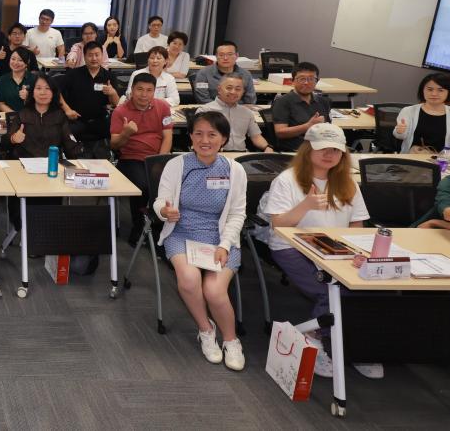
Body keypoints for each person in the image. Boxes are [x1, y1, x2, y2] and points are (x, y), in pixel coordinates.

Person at [260, 123, 380, 380]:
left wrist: (356, 252)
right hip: (291, 246)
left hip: (336, 249)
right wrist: (306, 205)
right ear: (308, 149)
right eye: (322, 148)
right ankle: (325, 342)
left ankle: (352, 343)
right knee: (330, 291)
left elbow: (356, 225)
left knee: (362, 286)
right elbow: (278, 224)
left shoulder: (348, 182)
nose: (329, 154)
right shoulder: (287, 180)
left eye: (335, 150)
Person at [153, 111, 247, 371]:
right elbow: (160, 201)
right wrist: (165, 212)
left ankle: (231, 340)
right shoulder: (177, 165)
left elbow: (237, 213)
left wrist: (225, 245)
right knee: (189, 279)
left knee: (214, 291)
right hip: (182, 232)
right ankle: (206, 330)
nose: (205, 140)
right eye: (198, 134)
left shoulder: (235, 170)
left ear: (224, 139)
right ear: (191, 137)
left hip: (220, 237)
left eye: (212, 135)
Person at [111, 73, 174, 242]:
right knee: (143, 185)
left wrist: (160, 161)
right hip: (131, 158)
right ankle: (139, 226)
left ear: (154, 91)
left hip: (158, 157)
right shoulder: (120, 111)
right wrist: (126, 133)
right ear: (132, 90)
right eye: (139, 89)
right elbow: (114, 145)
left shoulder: (163, 107)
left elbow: (167, 136)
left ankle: (160, 226)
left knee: (170, 183)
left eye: (149, 90)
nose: (144, 94)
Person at [6, 74, 78, 159]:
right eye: (38, 88)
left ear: (53, 93)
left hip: (52, 163)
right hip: (25, 162)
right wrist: (13, 139)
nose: (43, 93)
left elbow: (70, 145)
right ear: (32, 93)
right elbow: (5, 142)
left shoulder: (60, 115)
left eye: (47, 88)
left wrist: (80, 159)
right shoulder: (23, 114)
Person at [393, 73, 450, 154]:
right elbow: (400, 136)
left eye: (440, 90)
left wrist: (440, 158)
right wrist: (399, 131)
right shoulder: (408, 111)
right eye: (430, 89)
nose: (434, 94)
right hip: (411, 157)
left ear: (449, 92)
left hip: (441, 160)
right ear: (423, 90)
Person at [59, 43, 118, 144]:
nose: (94, 58)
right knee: (63, 135)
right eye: (90, 55)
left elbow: (116, 103)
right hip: (76, 120)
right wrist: (67, 110)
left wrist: (112, 93)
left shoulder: (109, 76)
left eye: (97, 55)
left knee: (115, 134)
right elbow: (56, 92)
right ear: (84, 57)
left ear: (102, 55)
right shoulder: (73, 74)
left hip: (100, 120)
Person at [198, 75, 272, 152]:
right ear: (219, 89)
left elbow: (256, 136)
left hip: (241, 153)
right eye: (229, 88)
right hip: (215, 153)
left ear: (243, 92)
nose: (233, 92)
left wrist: (267, 147)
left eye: (238, 89)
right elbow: (199, 138)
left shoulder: (246, 112)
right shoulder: (205, 111)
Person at [271, 62, 330, 152]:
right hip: (296, 150)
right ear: (293, 81)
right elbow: (280, 132)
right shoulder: (282, 101)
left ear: (317, 81)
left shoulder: (323, 101)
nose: (306, 83)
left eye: (311, 79)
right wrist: (308, 126)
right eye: (302, 79)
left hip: (322, 147)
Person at [192, 40, 255, 104]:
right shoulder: (204, 73)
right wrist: (223, 107)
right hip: (212, 108)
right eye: (221, 55)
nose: (225, 58)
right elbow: (202, 99)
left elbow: (250, 100)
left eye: (230, 54)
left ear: (237, 55)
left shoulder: (246, 74)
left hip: (238, 108)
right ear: (216, 56)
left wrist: (234, 107)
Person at [0, 48, 36, 114]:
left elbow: (42, 102)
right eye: (13, 59)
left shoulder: (34, 79)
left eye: (20, 60)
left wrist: (29, 97)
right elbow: (0, 103)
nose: (15, 63)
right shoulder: (3, 79)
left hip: (30, 116)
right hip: (10, 116)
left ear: (27, 63)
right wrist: (14, 115)